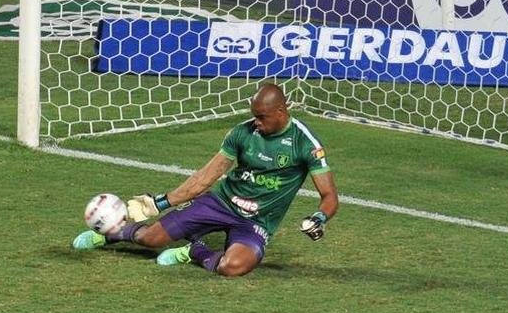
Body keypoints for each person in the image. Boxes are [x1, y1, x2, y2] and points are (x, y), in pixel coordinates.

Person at [72, 83, 340, 277]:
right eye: (254, 115)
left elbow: (329, 197)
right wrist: (159, 203)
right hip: (220, 203)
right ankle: (112, 233)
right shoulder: (241, 133)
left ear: (281, 111)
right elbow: (205, 178)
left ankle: (195, 251)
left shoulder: (305, 143)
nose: (255, 121)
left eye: (262, 117)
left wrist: (319, 218)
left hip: (257, 221)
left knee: (234, 267)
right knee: (152, 239)